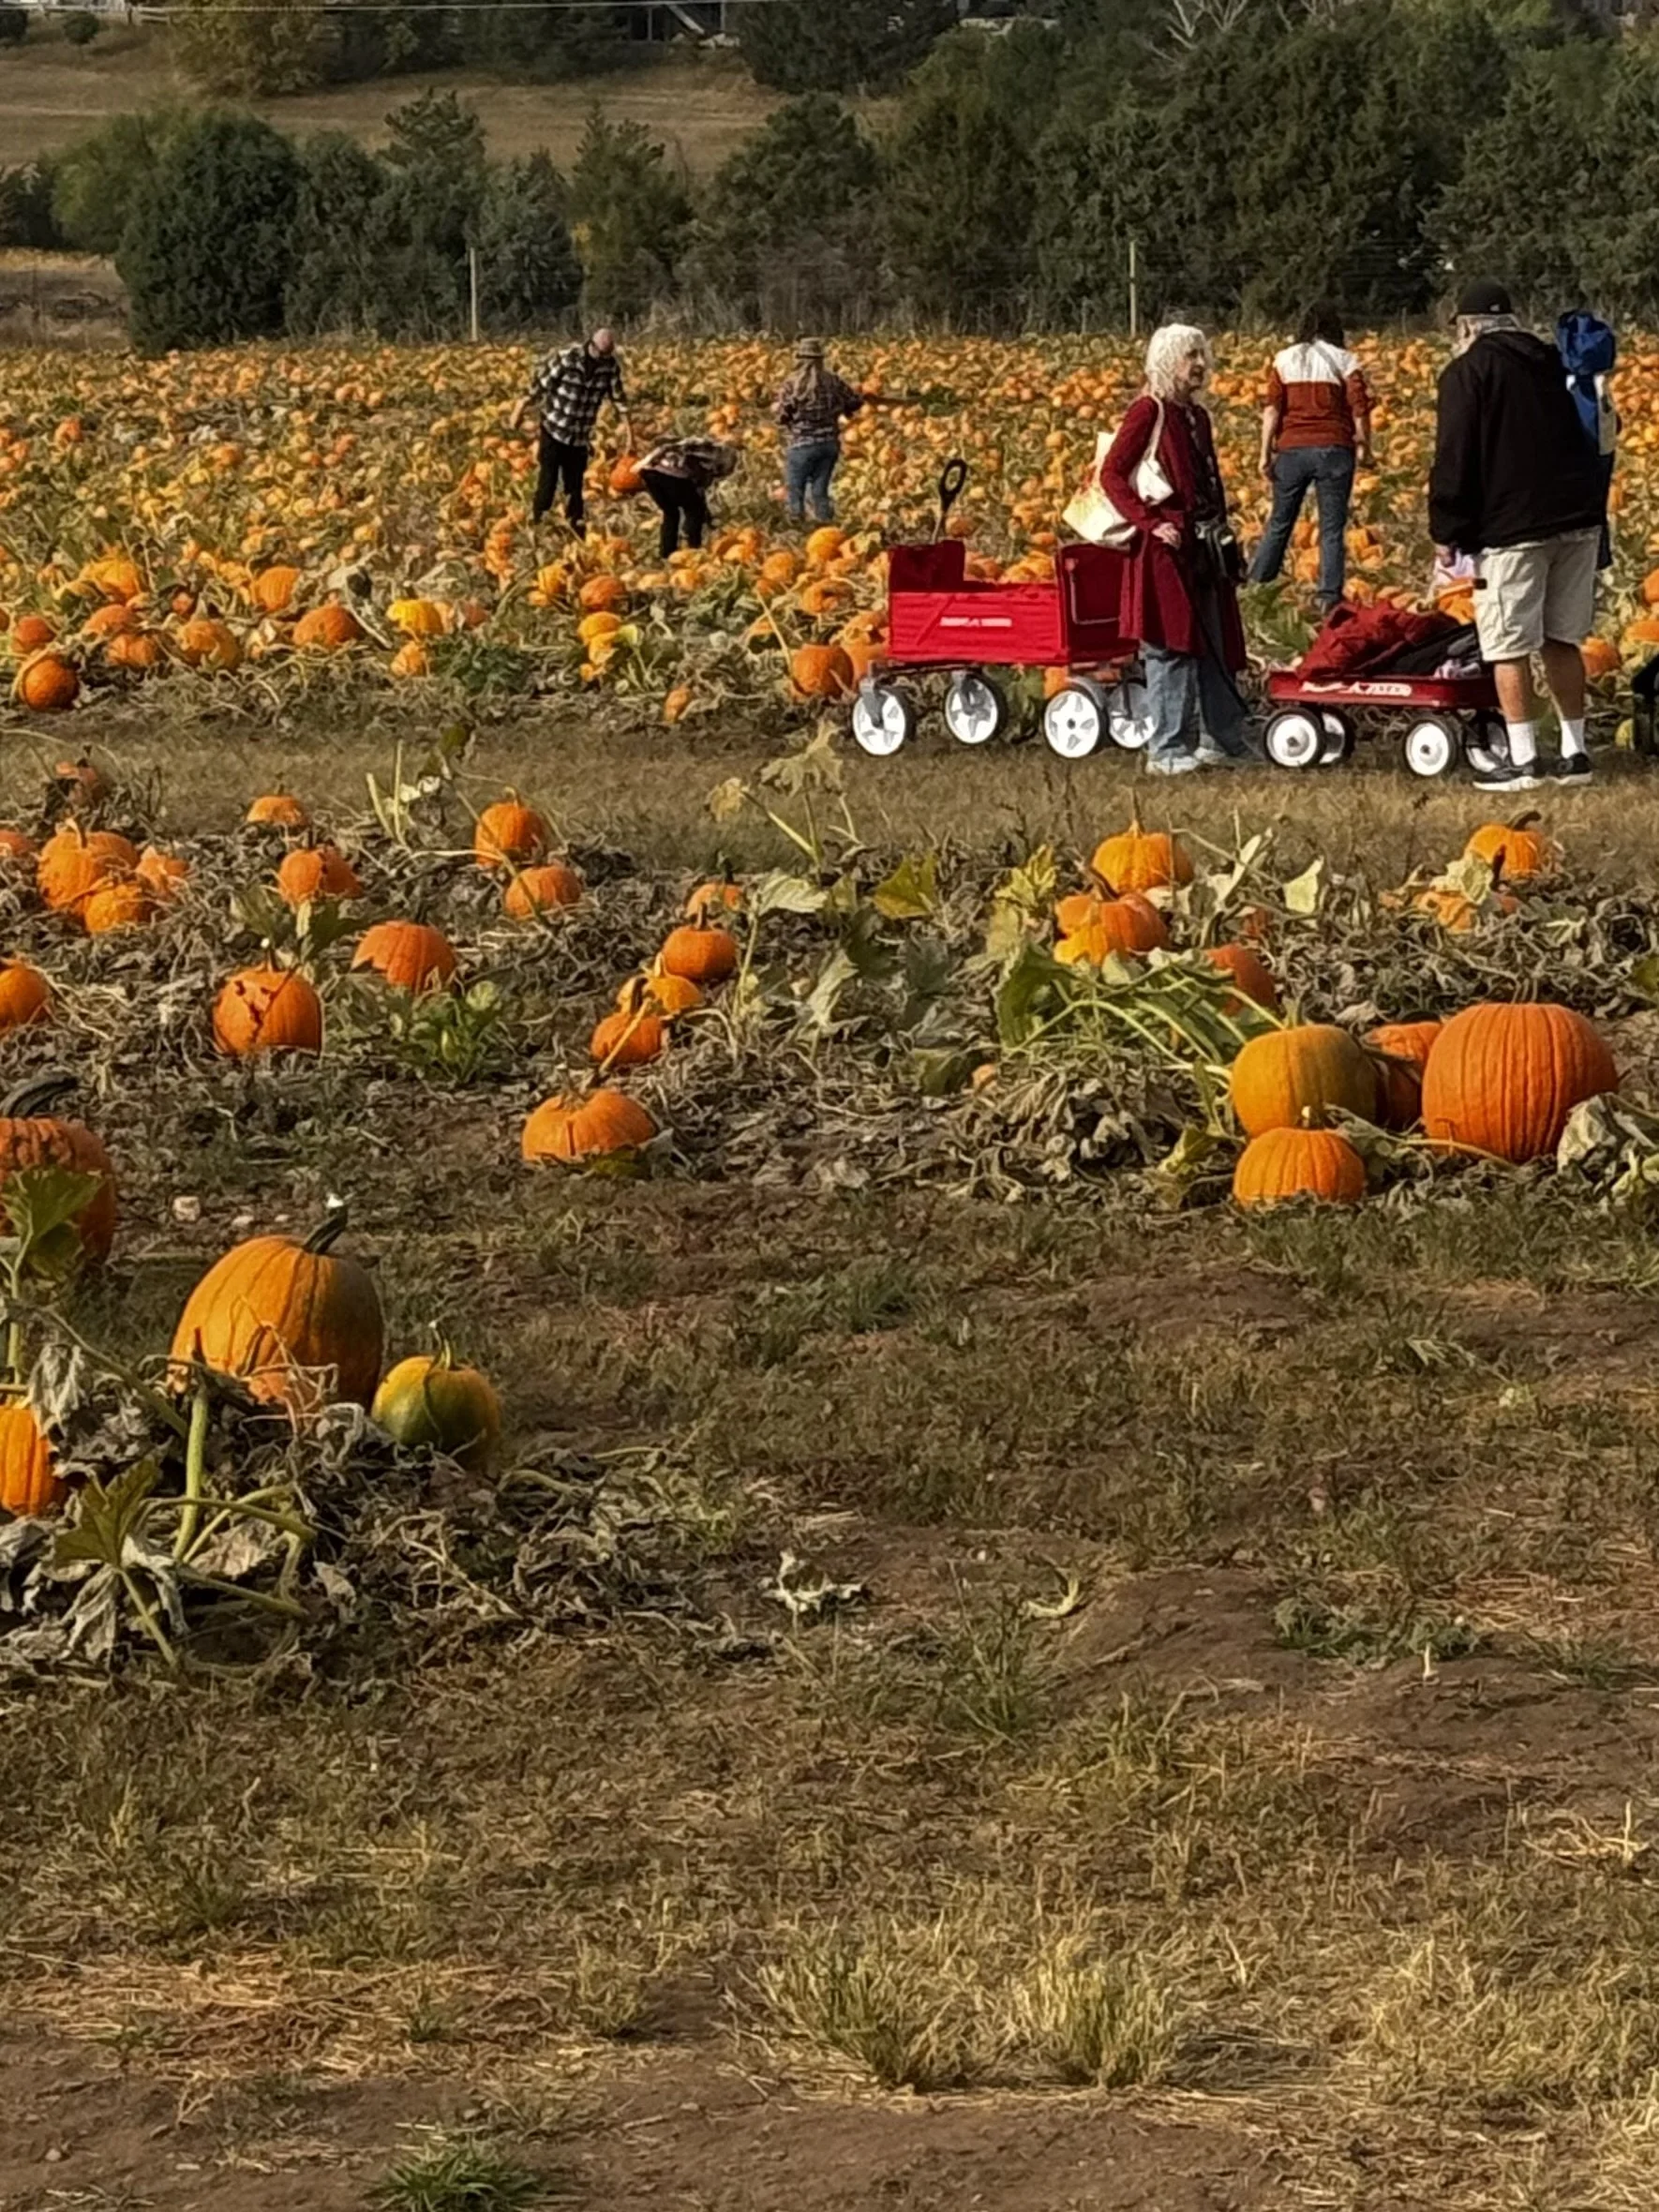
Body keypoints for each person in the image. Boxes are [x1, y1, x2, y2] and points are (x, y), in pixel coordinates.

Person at [1429, 278, 1607, 789]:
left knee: (1506, 641)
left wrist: (1447, 526)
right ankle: (1576, 755)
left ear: (1466, 326)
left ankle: (1524, 759)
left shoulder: (1469, 371)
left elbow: (1455, 455)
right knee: (1562, 638)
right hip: (1578, 518)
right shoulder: (1555, 361)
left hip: (1513, 525)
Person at [1100, 323, 1252, 775]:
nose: (1201, 366)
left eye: (1202, 355)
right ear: (1167, 362)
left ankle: (1222, 741)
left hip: (1204, 545)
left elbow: (1209, 481)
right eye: (1191, 357)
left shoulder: (1197, 417)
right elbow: (1112, 475)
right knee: (1170, 647)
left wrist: (1227, 537)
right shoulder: (1148, 412)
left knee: (1216, 641)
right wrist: (1150, 522)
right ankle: (1165, 749)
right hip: (1164, 552)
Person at [1247, 303, 1374, 612]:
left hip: (1292, 449)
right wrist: (1366, 447)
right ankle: (1328, 597)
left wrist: (1265, 452)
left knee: (1280, 520)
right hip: (1334, 450)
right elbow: (1359, 407)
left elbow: (1272, 408)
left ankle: (1257, 584)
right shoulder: (1345, 360)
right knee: (1332, 527)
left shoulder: (1284, 359)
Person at [515, 328, 633, 537]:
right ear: (591, 346)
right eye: (602, 353)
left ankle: (576, 532)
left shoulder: (609, 367)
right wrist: (519, 408)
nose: (604, 358)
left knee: (574, 487)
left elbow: (619, 400)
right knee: (547, 483)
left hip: (579, 437)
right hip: (554, 428)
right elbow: (540, 385)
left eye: (608, 354)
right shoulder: (567, 359)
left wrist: (630, 435)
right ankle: (538, 525)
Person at [772, 339, 864, 524]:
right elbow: (855, 401)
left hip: (801, 445)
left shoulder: (792, 384)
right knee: (820, 489)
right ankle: (824, 522)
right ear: (820, 359)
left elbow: (782, 416)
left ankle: (797, 524)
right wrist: (842, 409)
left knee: (795, 488)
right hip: (829, 443)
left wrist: (787, 420)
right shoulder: (833, 381)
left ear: (799, 359)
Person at [638, 435, 739, 559]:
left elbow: (699, 492)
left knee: (671, 513)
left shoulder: (702, 450)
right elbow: (700, 496)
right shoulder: (714, 462)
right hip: (671, 474)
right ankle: (693, 548)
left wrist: (707, 517)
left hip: (649, 471)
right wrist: (708, 519)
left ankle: (667, 553)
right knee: (694, 510)